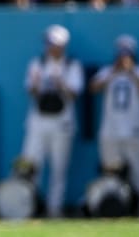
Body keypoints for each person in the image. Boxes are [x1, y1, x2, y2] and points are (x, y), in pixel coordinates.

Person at [21, 24, 84, 218]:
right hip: (39, 121)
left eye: (54, 43)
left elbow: (75, 93)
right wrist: (37, 83)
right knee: (31, 166)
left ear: (63, 45)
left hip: (62, 123)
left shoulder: (72, 65)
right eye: (48, 43)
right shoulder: (37, 63)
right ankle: (28, 207)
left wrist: (60, 83)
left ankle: (54, 209)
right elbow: (30, 90)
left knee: (59, 169)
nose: (50, 47)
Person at [90, 34, 139, 217]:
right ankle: (112, 209)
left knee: (138, 170)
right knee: (110, 172)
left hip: (135, 129)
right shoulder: (107, 71)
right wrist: (114, 72)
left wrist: (131, 71)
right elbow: (94, 87)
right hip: (110, 129)